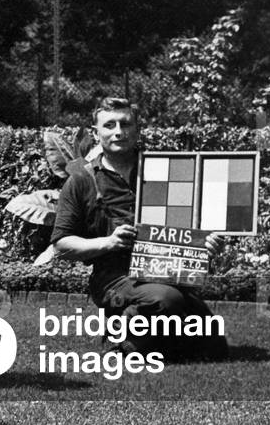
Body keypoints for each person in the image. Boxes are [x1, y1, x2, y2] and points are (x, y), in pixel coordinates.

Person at [50, 97, 229, 361]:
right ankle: (122, 333)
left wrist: (206, 244)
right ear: (95, 131)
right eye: (109, 125)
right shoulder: (81, 180)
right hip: (114, 277)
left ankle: (146, 338)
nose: (118, 132)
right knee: (166, 301)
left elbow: (191, 225)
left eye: (125, 124)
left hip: (165, 271)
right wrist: (107, 243)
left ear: (137, 129)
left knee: (214, 347)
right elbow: (61, 244)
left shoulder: (165, 170)